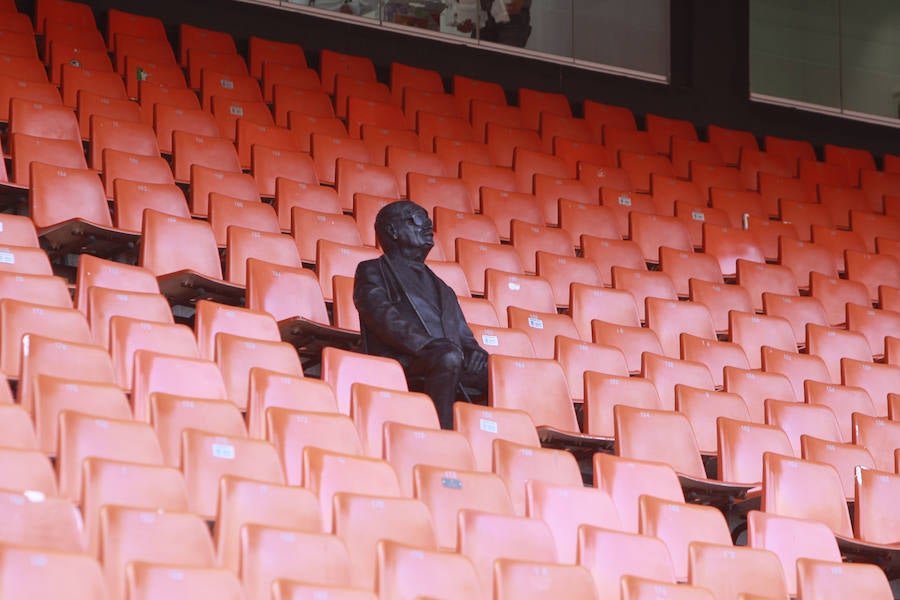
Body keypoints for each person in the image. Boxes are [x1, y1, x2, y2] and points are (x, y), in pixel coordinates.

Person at [353, 200, 488, 429]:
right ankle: (439, 432)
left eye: (427, 218)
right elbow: (382, 317)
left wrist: (475, 352)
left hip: (442, 356)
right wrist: (427, 345)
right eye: (416, 218)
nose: (427, 224)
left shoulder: (443, 287)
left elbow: (463, 334)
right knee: (447, 356)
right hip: (403, 359)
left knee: (493, 371)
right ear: (393, 231)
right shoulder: (373, 270)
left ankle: (486, 441)